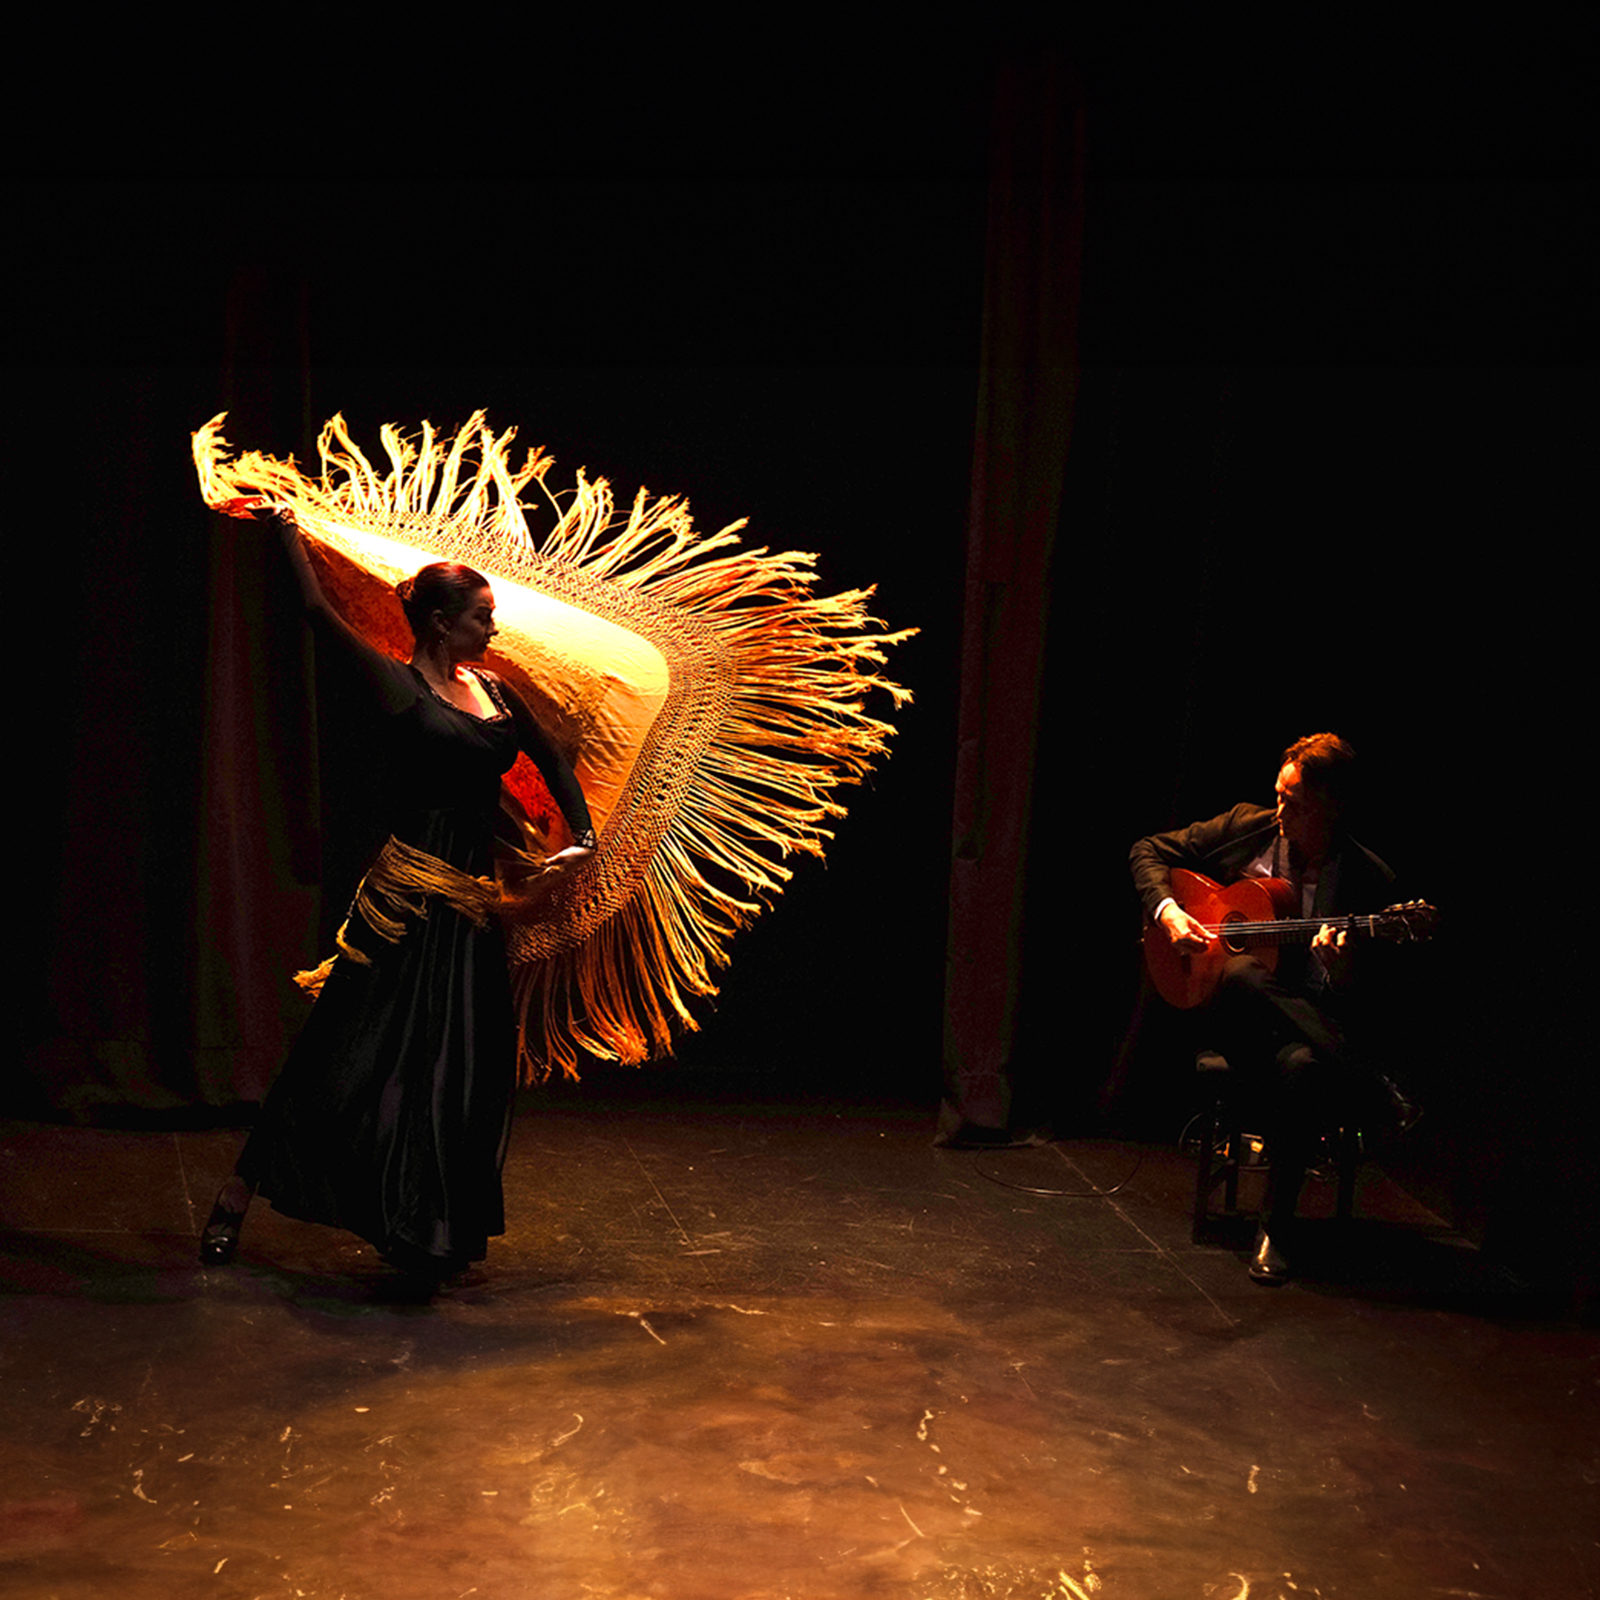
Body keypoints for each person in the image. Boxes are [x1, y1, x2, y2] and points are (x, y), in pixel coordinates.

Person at [200, 512, 595, 1282]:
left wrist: (578, 838)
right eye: (481, 617)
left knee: (460, 1067)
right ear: (443, 623)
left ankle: (425, 1226)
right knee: (339, 1052)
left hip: (472, 908)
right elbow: (317, 614)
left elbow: (550, 760)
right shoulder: (398, 685)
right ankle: (236, 1192)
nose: (493, 627)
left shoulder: (496, 691)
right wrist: (285, 529)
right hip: (407, 903)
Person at [1130, 732, 1416, 1285]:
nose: (1279, 809)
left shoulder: (1367, 881)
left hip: (1300, 1026)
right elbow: (1147, 848)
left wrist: (1339, 968)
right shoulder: (1248, 826)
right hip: (1227, 1010)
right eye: (1280, 794)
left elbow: (1373, 1002)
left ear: (1333, 807)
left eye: (1296, 802)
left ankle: (1276, 1230)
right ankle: (1376, 1087)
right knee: (1238, 972)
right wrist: (1167, 911)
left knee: (1304, 1068)